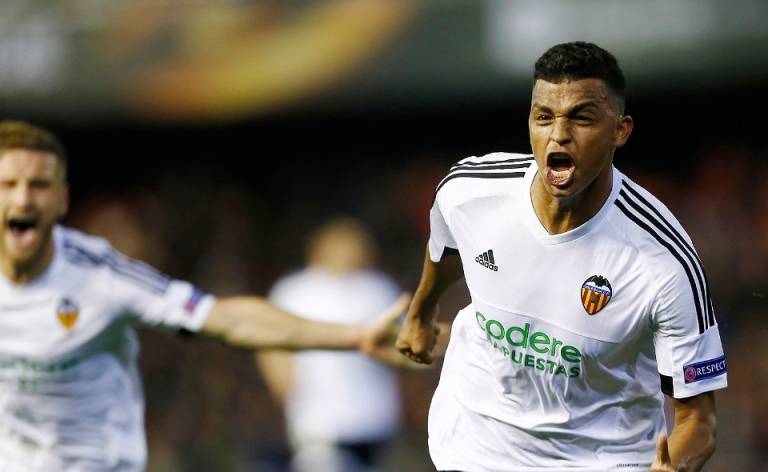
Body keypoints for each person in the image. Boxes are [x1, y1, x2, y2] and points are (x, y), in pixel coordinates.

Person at [0, 120, 411, 471]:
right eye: (8, 184)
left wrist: (355, 336)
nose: (23, 198)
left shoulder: (102, 276)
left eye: (38, 185)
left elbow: (228, 320)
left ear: (62, 199)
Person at [395, 41, 727, 472]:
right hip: (477, 446)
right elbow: (447, 244)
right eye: (544, 117)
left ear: (620, 131)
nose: (559, 135)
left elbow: (699, 422)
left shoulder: (664, 260)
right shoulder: (469, 192)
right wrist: (421, 312)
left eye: (581, 118)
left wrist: (673, 467)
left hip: (603, 459)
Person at [258, 218, 402, 472]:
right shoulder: (296, 290)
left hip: (375, 415)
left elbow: (405, 342)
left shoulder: (379, 288)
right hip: (319, 416)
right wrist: (282, 383)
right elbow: (270, 341)